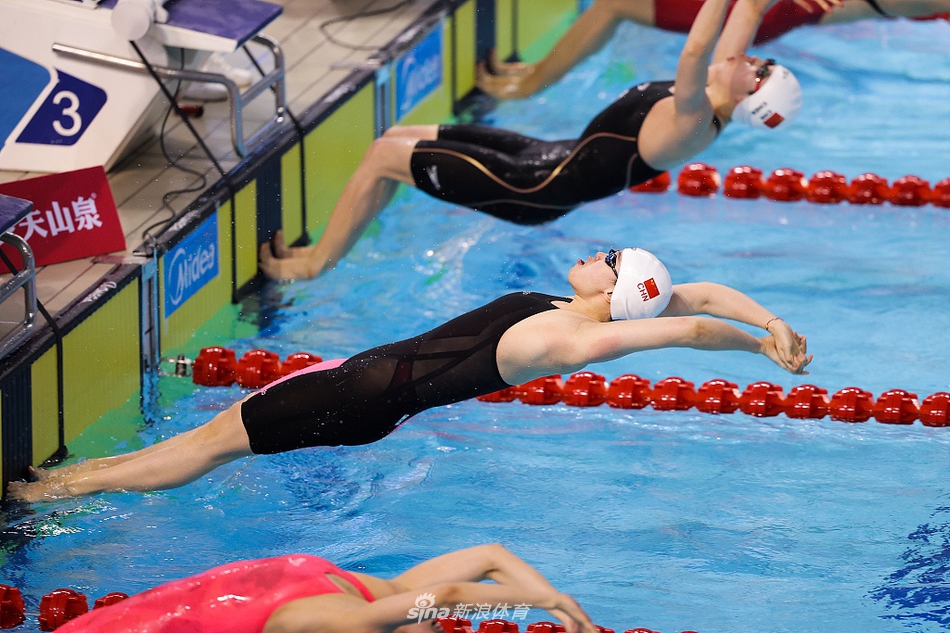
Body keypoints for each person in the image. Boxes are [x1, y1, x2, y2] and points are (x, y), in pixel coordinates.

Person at [8, 248, 811, 502]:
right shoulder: (578, 308)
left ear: (611, 291)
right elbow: (694, 297)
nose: (596, 252)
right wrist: (770, 321)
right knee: (213, 438)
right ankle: (70, 478)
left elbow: (687, 324)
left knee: (210, 446)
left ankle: (54, 492)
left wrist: (751, 350)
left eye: (608, 258)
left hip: (357, 395)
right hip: (364, 388)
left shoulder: (565, 338)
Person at [258, 0, 803, 280]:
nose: (754, 60)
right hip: (545, 156)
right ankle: (327, 250)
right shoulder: (719, 87)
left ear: (749, 100)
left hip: (533, 188)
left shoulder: (694, 121)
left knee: (383, 156)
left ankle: (315, 264)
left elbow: (694, 49)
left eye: (760, 72)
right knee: (396, 141)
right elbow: (748, 10)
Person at [55, 544, 599, 633]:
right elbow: (451, 594)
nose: (439, 626)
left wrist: (565, 613)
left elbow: (490, 559)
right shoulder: (348, 620)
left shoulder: (370, 593)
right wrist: (550, 602)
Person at [477, 0, 950, 99]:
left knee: (614, 6)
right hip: (769, 10)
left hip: (761, 12)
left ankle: (529, 85)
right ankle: (533, 71)